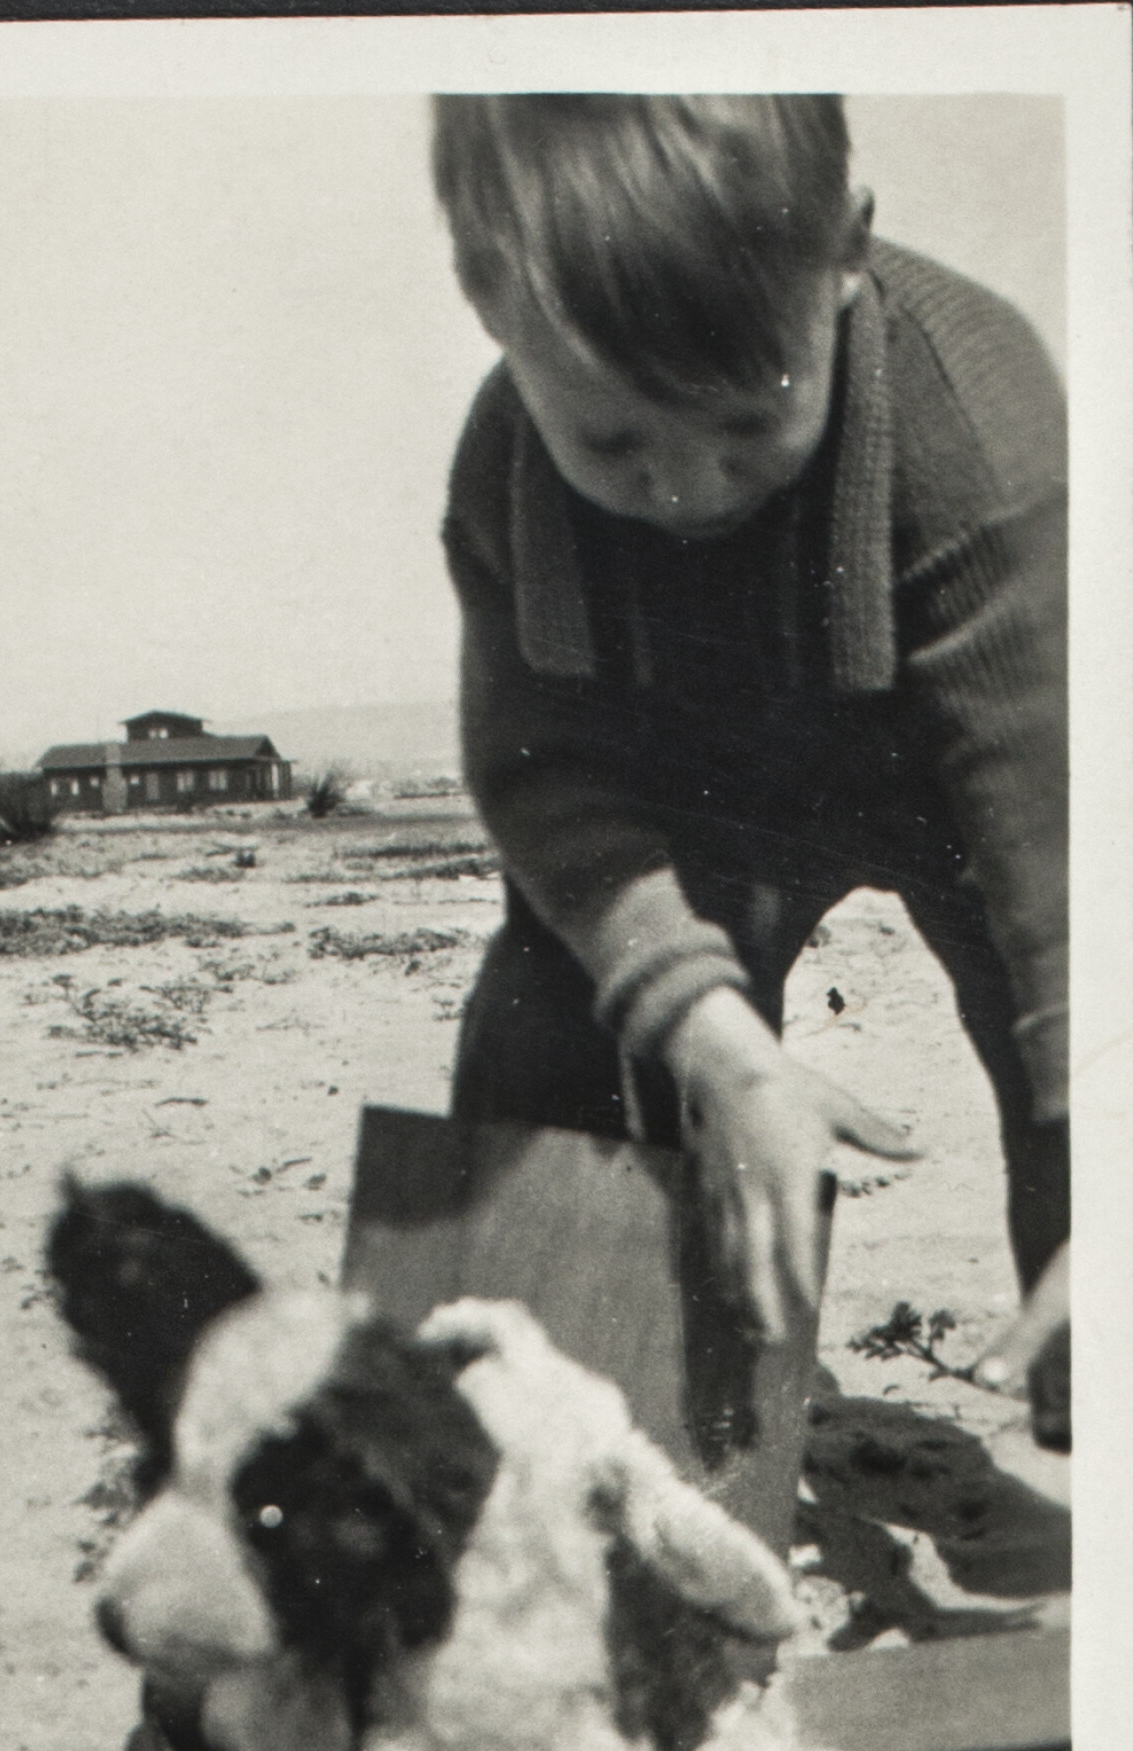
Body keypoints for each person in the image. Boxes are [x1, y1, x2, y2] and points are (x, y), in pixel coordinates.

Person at [431, 95, 1069, 1446]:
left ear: (843, 256)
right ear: (491, 300)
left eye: (745, 418)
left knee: (1081, 1104)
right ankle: (588, 1436)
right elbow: (549, 787)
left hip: (962, 784)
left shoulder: (977, 425)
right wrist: (728, 1051)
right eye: (612, 442)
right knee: (565, 1016)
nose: (688, 488)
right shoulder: (505, 477)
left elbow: (1064, 857)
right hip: (689, 788)